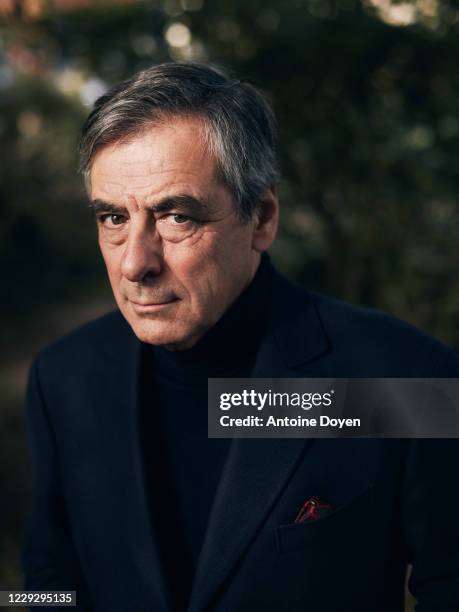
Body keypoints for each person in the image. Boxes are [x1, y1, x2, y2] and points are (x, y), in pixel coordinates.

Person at [23, 61, 459, 612]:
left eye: (176, 216)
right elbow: (47, 580)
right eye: (112, 218)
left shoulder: (405, 379)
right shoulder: (63, 377)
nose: (135, 263)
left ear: (263, 218)